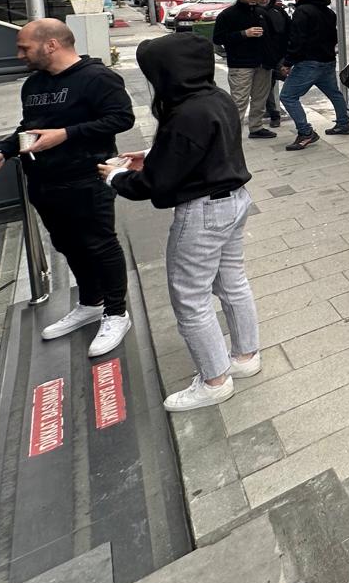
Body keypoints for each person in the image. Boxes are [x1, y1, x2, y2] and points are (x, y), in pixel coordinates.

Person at [99, 35, 261, 411]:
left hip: (203, 211)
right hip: (236, 201)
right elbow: (197, 150)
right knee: (232, 281)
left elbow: (155, 183)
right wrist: (152, 154)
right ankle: (245, 357)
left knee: (190, 297)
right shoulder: (214, 98)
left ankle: (214, 380)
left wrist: (114, 177)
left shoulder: (186, 113)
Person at [0, 19, 136, 357]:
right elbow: (29, 128)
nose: (19, 54)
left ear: (51, 45)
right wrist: (3, 152)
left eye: (24, 47)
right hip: (45, 183)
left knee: (100, 244)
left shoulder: (98, 78)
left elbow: (122, 119)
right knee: (67, 245)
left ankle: (117, 313)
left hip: (87, 178)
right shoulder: (33, 84)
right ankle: (91, 302)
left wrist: (66, 134)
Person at [278, 0, 349, 151]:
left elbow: (297, 40)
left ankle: (305, 132)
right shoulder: (327, 11)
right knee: (334, 92)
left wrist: (288, 63)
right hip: (327, 60)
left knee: (288, 96)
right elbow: (333, 37)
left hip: (309, 62)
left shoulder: (302, 11)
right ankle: (343, 123)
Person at [213, 0, 275, 138]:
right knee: (239, 101)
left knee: (260, 98)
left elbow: (272, 37)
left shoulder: (262, 12)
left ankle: (256, 127)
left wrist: (274, 60)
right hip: (240, 65)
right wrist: (243, 34)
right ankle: (233, 135)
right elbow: (218, 38)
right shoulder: (227, 15)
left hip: (262, 63)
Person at [256, 0, 290, 129]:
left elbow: (289, 30)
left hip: (282, 56)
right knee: (266, 88)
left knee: (292, 84)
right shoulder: (254, 13)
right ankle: (274, 114)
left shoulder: (278, 11)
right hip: (263, 57)